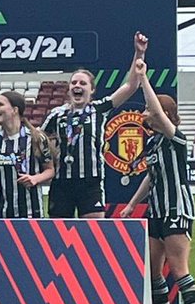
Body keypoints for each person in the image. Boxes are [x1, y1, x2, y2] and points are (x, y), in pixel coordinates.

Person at [121, 60, 195, 304]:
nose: (146, 113)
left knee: (179, 267)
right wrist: (134, 203)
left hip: (176, 208)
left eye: (150, 109)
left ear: (166, 114)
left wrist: (144, 78)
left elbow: (157, 110)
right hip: (156, 209)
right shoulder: (153, 142)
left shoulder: (176, 138)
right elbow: (151, 176)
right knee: (154, 269)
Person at [43, 33, 148, 219]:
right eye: (74, 82)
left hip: (90, 183)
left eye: (82, 83)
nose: (77, 85)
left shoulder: (99, 109)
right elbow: (38, 139)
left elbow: (131, 86)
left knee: (93, 235)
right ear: (68, 89)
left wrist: (139, 54)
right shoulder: (56, 114)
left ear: (92, 90)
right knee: (57, 235)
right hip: (61, 183)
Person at [0, 90, 54, 218]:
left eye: (0, 104)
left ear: (15, 110)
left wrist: (34, 179)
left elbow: (50, 170)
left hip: (31, 210)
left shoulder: (36, 138)